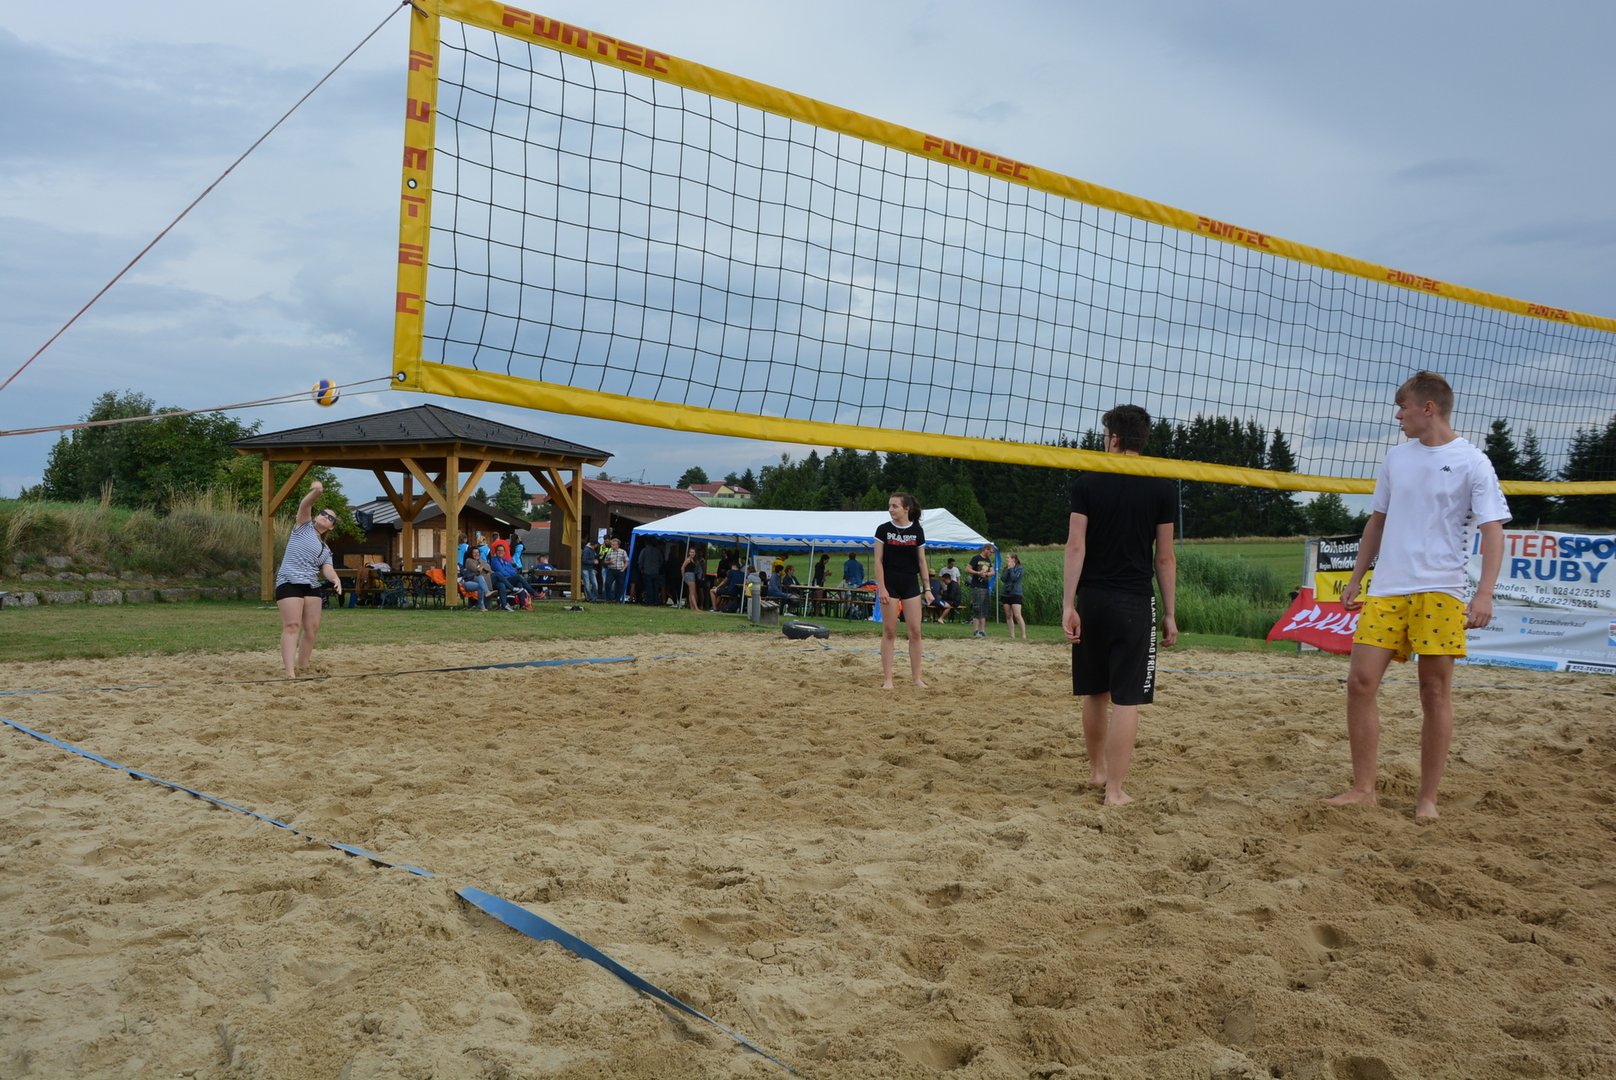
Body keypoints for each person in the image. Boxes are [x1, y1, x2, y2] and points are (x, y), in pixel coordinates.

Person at [1326, 371, 1509, 819]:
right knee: (1360, 682)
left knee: (1434, 691)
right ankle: (1364, 788)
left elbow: (1493, 531)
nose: (1397, 416)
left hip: (1441, 590)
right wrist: (1356, 578)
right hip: (1388, 588)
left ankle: (1427, 799)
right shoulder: (1396, 458)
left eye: (1402, 407)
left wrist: (1484, 593)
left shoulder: (1473, 461)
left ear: (1429, 408)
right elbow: (1377, 522)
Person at [1063, 404, 1178, 807]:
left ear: (1113, 438)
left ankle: (1098, 772)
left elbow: (1075, 546)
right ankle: (1114, 790)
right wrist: (1169, 612)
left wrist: (1068, 603)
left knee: (1095, 692)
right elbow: (1165, 558)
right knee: (1127, 699)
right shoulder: (1162, 487)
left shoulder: (1087, 483)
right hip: (1135, 602)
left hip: (1093, 599)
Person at [275, 481, 342, 677]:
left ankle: (303, 666)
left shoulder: (326, 549)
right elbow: (305, 505)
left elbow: (327, 568)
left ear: (331, 527)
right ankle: (290, 673)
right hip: (289, 581)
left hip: (311, 585)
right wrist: (316, 491)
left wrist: (335, 578)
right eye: (323, 513)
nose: (325, 517)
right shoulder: (303, 526)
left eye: (330, 517)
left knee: (312, 628)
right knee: (292, 625)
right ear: (316, 516)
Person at [875, 492, 930, 689]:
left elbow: (922, 561)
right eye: (889, 506)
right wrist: (881, 588)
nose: (890, 509)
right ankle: (888, 679)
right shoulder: (883, 530)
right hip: (889, 583)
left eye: (895, 506)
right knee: (890, 631)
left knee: (915, 632)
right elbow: (878, 561)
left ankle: (916, 678)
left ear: (906, 508)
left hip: (910, 583)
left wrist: (927, 588)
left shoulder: (917, 531)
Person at [967, 543, 996, 638]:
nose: (991, 554)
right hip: (977, 586)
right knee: (977, 608)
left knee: (984, 608)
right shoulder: (976, 558)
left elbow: (993, 571)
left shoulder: (988, 560)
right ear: (986, 549)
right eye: (991, 552)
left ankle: (982, 630)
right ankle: (976, 630)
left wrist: (987, 574)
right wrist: (978, 573)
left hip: (985, 586)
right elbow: (968, 569)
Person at [1001, 552, 1027, 639]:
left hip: (1016, 593)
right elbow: (1003, 579)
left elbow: (1014, 578)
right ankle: (1012, 635)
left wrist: (1011, 569)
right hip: (1006, 593)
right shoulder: (1006, 568)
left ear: (1013, 559)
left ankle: (1023, 635)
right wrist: (1007, 569)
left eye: (1008, 557)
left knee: (1017, 615)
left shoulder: (1020, 568)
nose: (1006, 559)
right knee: (1008, 615)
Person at [637, 539, 664, 606]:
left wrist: (641, 569)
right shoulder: (657, 551)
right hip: (656, 572)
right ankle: (656, 601)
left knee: (649, 587)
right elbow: (661, 561)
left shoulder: (644, 550)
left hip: (647, 571)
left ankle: (649, 601)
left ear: (646, 543)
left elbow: (640, 561)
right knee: (656, 587)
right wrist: (658, 567)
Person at [602, 537, 628, 602]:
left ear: (617, 545)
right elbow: (605, 561)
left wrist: (623, 569)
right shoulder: (609, 552)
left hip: (620, 570)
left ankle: (617, 600)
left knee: (619, 585)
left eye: (613, 544)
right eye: (612, 544)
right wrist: (609, 562)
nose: (612, 546)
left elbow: (627, 561)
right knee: (607, 584)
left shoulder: (623, 552)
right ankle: (608, 599)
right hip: (611, 570)